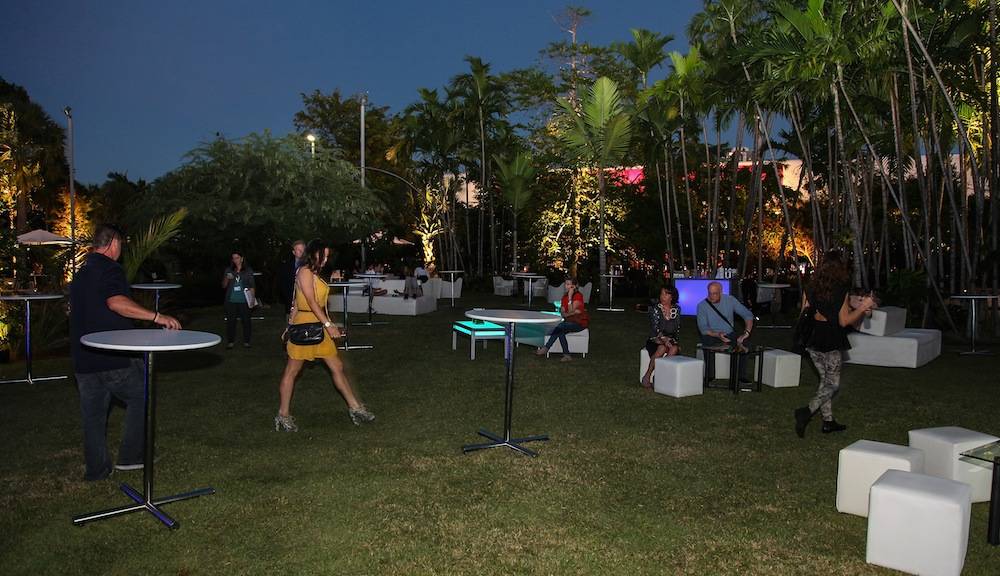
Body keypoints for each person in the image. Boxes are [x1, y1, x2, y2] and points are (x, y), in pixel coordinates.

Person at [70, 224, 181, 481]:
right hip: (112, 358)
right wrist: (157, 317)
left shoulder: (82, 273)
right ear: (113, 243)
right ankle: (132, 456)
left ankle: (97, 470)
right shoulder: (110, 268)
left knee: (93, 416)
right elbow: (116, 302)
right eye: (121, 243)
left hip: (83, 358)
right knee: (143, 395)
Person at [276, 239, 374, 431]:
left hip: (319, 325)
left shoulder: (315, 273)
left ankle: (355, 408)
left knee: (337, 366)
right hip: (305, 326)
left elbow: (312, 303)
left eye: (328, 256)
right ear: (314, 253)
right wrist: (327, 325)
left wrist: (329, 324)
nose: (326, 259)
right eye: (324, 255)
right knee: (292, 371)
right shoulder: (304, 271)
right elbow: (310, 302)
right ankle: (283, 415)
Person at [794, 250, 876, 437]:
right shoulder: (840, 288)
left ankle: (828, 421)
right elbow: (844, 321)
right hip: (830, 339)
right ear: (841, 267)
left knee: (825, 381)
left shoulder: (811, 287)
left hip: (812, 338)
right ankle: (806, 411)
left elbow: (803, 313)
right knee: (833, 385)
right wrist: (863, 307)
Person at [696, 281, 755, 380]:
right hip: (712, 334)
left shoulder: (730, 300)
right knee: (707, 341)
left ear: (721, 292)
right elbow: (703, 328)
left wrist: (747, 333)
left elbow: (747, 315)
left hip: (728, 333)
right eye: (710, 293)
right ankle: (710, 375)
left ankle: (741, 376)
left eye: (715, 293)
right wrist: (718, 335)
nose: (711, 296)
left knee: (744, 343)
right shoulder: (702, 306)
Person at [535, 276, 589, 362]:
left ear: (574, 286)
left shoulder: (578, 296)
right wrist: (571, 313)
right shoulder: (564, 297)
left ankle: (546, 348)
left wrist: (570, 298)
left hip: (579, 323)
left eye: (569, 284)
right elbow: (563, 313)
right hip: (568, 323)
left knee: (560, 327)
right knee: (560, 330)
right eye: (566, 284)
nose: (566, 286)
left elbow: (571, 311)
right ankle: (566, 355)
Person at [641, 284, 682, 389]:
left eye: (666, 294)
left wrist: (673, 341)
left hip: (670, 338)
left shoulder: (677, 309)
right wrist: (664, 339)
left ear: (672, 296)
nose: (662, 296)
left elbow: (676, 329)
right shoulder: (655, 309)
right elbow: (655, 328)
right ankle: (647, 376)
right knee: (662, 348)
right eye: (661, 294)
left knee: (674, 348)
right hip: (656, 338)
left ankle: (659, 376)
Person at [222, 251, 255, 349]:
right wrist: (227, 278)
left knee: (246, 321)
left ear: (242, 258)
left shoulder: (248, 270)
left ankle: (247, 341)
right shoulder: (229, 270)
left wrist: (252, 299)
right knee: (231, 322)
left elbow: (252, 285)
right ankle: (230, 341)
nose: (235, 260)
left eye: (237, 258)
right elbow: (223, 285)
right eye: (233, 258)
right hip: (231, 300)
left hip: (244, 300)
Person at [279, 240, 306, 313]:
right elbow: (283, 283)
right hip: (290, 301)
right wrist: (288, 297)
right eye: (298, 250)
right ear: (293, 252)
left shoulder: (310, 266)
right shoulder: (286, 267)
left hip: (306, 301)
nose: (301, 251)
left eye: (303, 249)